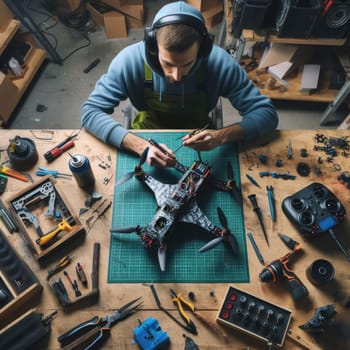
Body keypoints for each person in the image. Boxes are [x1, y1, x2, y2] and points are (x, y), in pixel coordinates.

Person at [81, 1, 278, 167]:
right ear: (152, 46)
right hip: (147, 130)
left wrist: (220, 136)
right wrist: (141, 146)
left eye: (187, 64)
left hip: (199, 132)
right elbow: (90, 112)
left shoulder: (219, 63)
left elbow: (267, 115)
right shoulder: (129, 61)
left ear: (202, 50)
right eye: (167, 63)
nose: (176, 76)